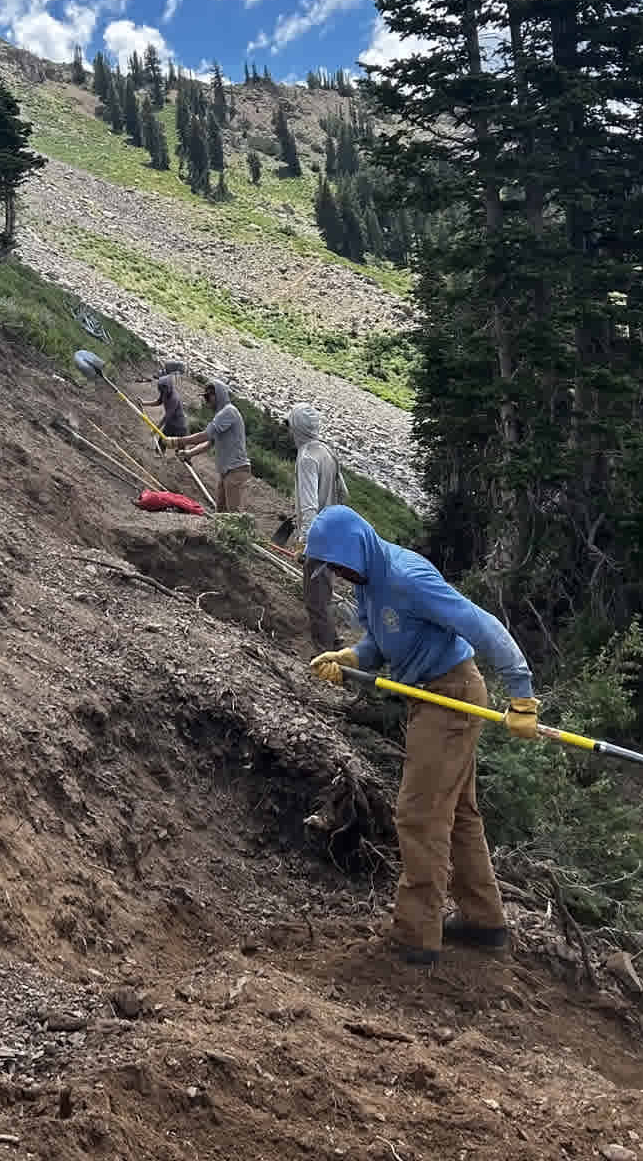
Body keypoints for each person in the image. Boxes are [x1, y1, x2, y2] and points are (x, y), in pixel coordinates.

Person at [304, 506, 539, 967]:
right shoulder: (369, 583)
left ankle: (416, 936)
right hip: (426, 696)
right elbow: (379, 645)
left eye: (336, 563)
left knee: (417, 814)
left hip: (450, 695)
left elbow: (481, 624)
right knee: (460, 812)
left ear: (357, 548)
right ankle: (484, 922)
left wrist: (522, 694)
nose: (335, 573)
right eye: (329, 566)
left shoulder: (408, 577)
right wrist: (350, 657)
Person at [284, 404, 348, 652]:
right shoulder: (326, 452)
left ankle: (326, 655)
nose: (289, 432)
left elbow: (310, 506)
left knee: (314, 600)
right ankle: (334, 639)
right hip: (332, 532)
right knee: (324, 592)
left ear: (298, 428)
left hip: (318, 538)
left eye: (291, 426)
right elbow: (344, 492)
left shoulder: (306, 457)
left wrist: (304, 541)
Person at [164, 378, 251, 513]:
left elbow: (205, 435)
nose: (206, 400)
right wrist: (189, 454)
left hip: (236, 470)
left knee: (234, 516)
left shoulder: (228, 412)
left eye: (208, 396)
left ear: (218, 395)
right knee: (221, 513)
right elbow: (209, 443)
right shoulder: (221, 414)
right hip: (226, 472)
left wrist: (178, 441)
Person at [134, 361, 189, 440]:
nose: (162, 392)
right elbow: (158, 402)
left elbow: (166, 417)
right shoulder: (165, 391)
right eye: (161, 390)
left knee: (180, 451)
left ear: (169, 387)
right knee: (161, 444)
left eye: (163, 390)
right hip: (170, 424)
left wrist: (156, 430)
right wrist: (144, 403)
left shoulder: (174, 398)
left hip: (180, 427)